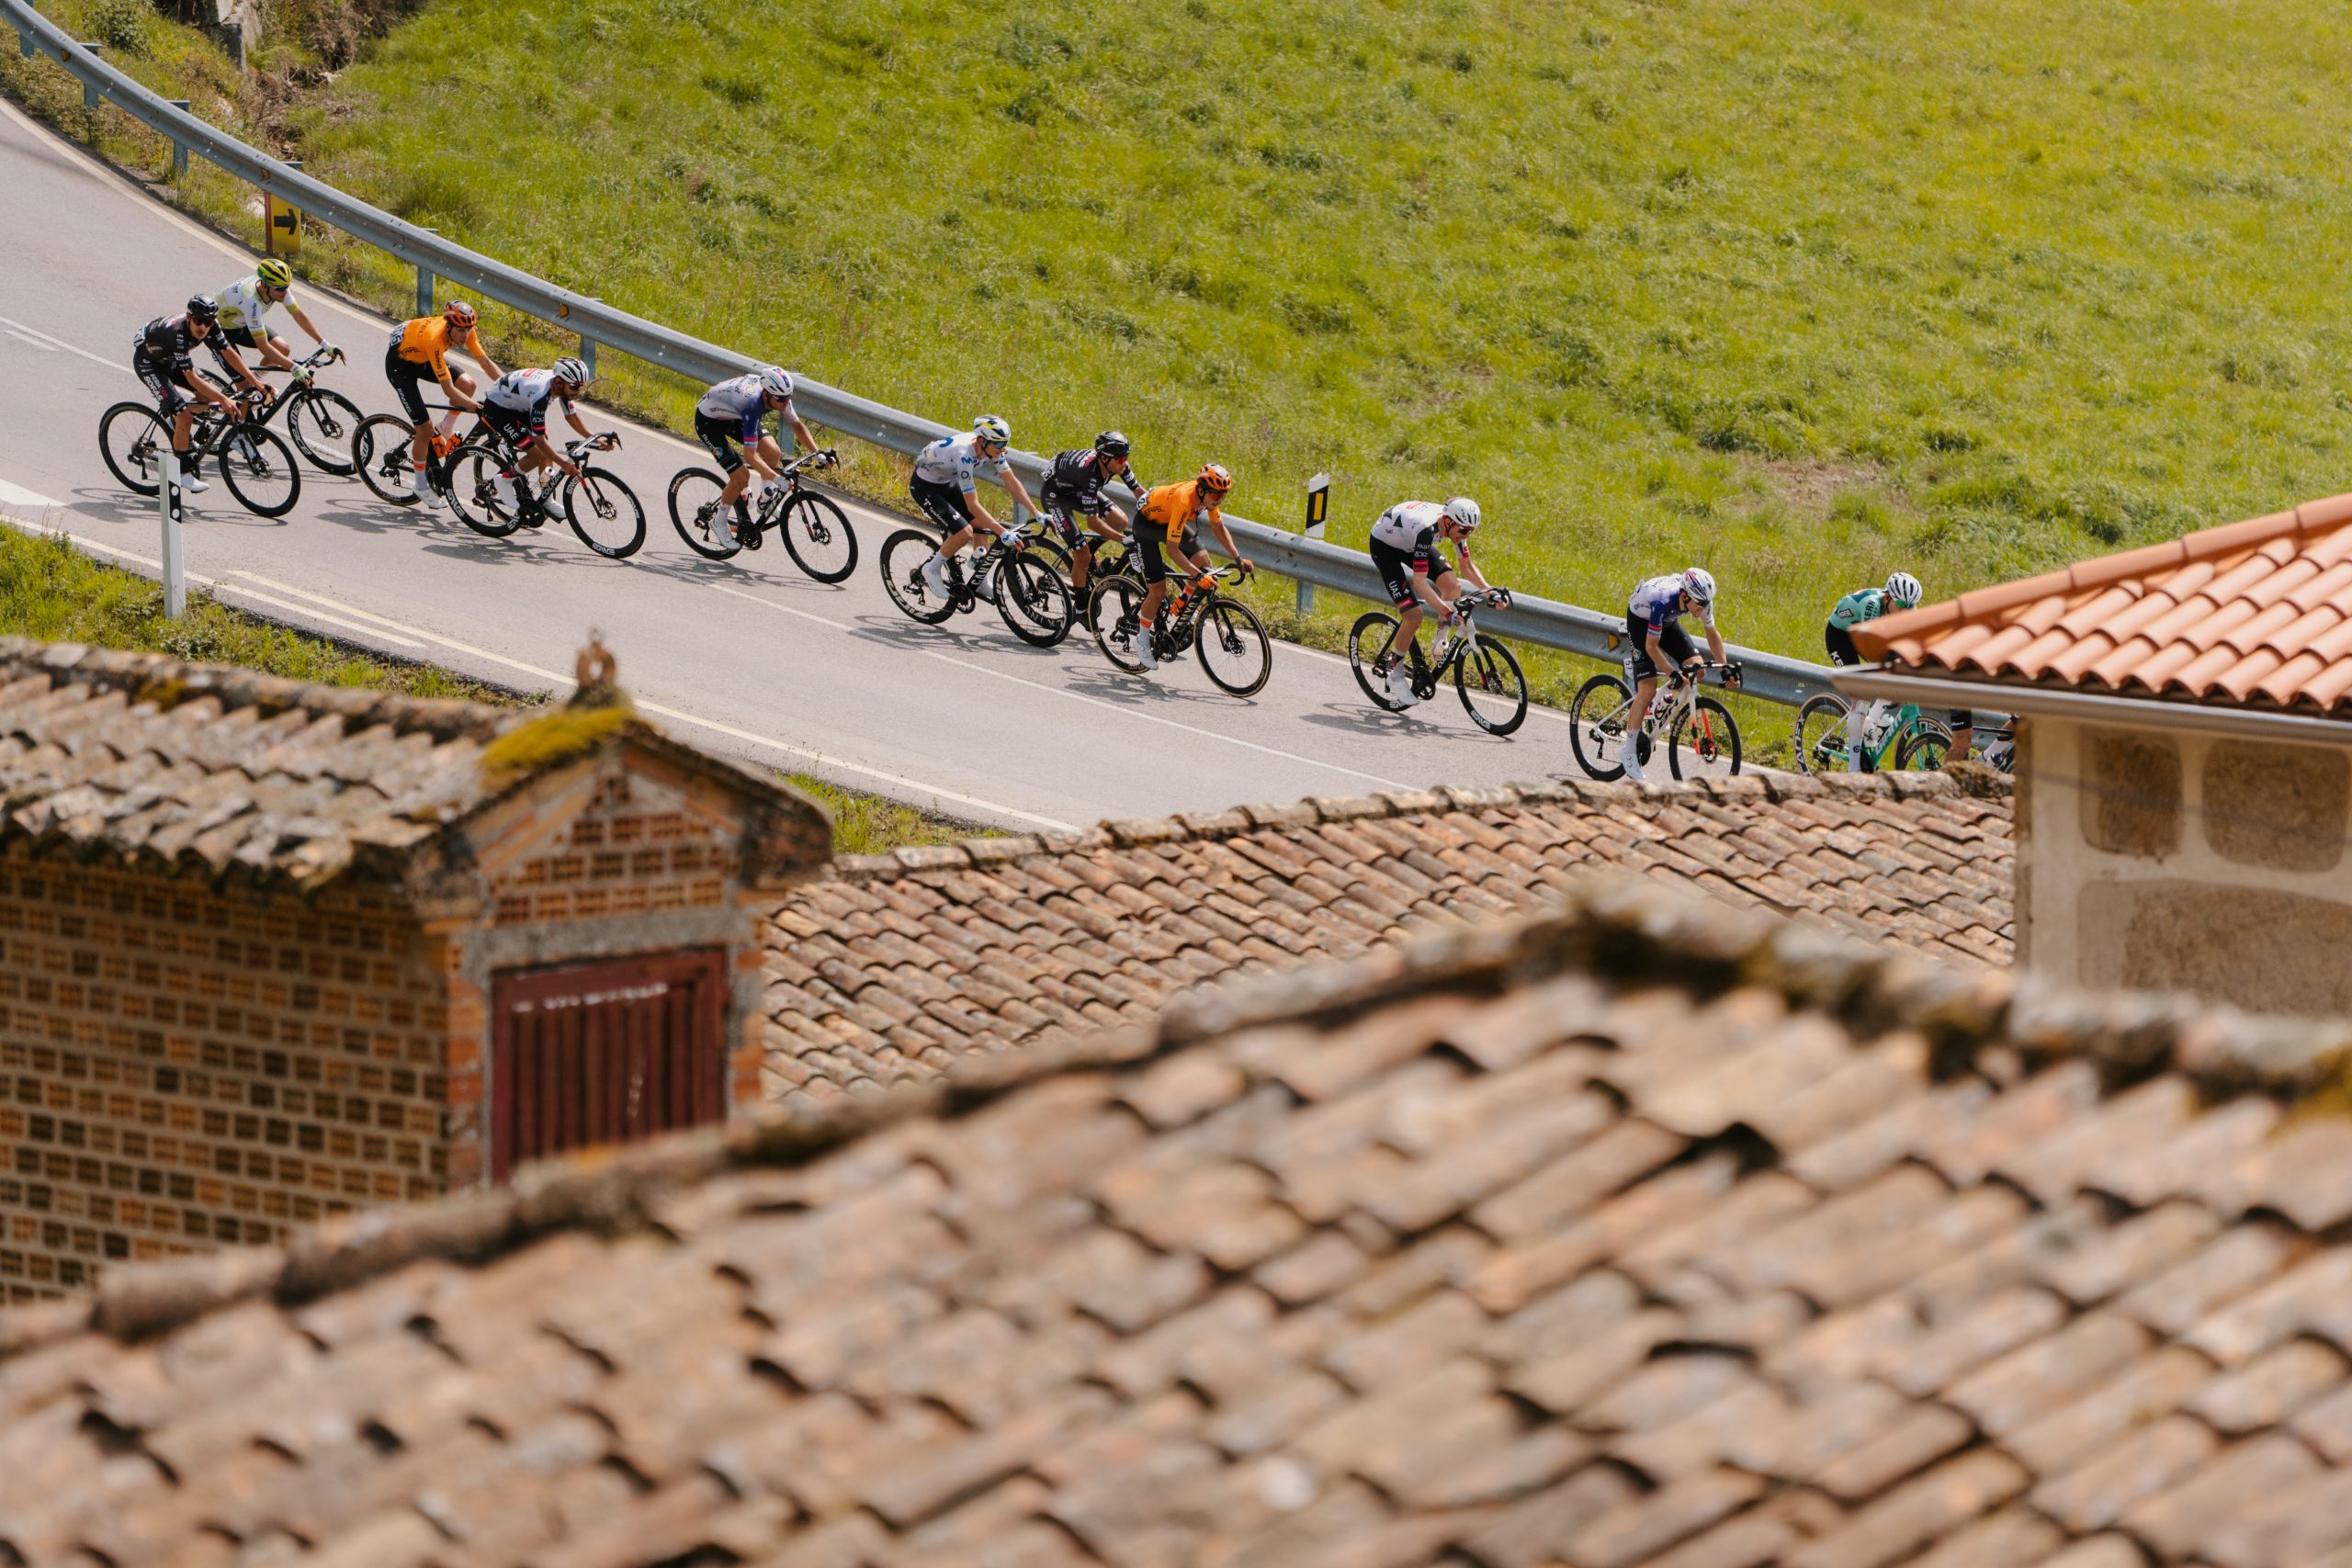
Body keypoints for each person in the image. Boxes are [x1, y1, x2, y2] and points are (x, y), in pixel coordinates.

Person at [1824, 570, 1971, 769]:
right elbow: (1873, 651)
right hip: (1840, 636)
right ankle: (1854, 766)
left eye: (1911, 605)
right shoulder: (1871, 605)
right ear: (1888, 597)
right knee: (1861, 695)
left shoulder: (1909, 611)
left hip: (1866, 636)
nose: (1906, 610)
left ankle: (1870, 721)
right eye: (1902, 604)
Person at [1366, 496, 1498, 708]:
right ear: (1448, 522)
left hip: (1409, 542)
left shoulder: (1455, 525)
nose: (1466, 536)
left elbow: (1467, 567)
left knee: (1453, 586)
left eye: (1471, 531)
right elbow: (1419, 582)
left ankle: (1439, 643)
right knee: (1413, 615)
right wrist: (1446, 611)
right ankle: (1396, 675)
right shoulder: (1426, 530)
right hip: (1385, 547)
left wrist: (1491, 592)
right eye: (1464, 531)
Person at [1126, 464, 1252, 671]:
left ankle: (1182, 601)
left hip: (1167, 519)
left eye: (1223, 495)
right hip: (1146, 525)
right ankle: (1142, 639)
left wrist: (1238, 558)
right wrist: (1198, 576)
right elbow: (1172, 550)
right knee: (1158, 591)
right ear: (1202, 490)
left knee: (1203, 561)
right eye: (1216, 494)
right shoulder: (1184, 500)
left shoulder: (1208, 498)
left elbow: (1218, 527)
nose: (1219, 500)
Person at [385, 299, 503, 509]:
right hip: (400, 368)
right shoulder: (435, 338)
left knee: (468, 385)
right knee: (424, 429)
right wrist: (477, 408)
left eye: (468, 330)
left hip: (423, 357)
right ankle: (420, 485)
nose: (465, 336)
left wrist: (510, 386)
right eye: (460, 330)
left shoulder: (466, 330)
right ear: (448, 326)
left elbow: (484, 362)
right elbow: (449, 390)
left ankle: (445, 428)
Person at [694, 366, 827, 549]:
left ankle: (765, 500)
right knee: (741, 477)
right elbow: (751, 457)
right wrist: (777, 479)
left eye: (788, 397)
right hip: (709, 423)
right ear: (766, 394)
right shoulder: (752, 405)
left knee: (773, 452)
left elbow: (796, 425)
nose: (785, 403)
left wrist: (818, 453)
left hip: (734, 415)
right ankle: (719, 521)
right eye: (781, 399)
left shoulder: (777, 396)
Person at [910, 415, 1039, 602]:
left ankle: (980, 582)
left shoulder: (991, 449)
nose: (1003, 448)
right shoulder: (964, 455)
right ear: (982, 440)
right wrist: (1003, 533)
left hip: (946, 482)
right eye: (999, 444)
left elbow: (1011, 482)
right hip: (925, 487)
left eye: (1005, 443)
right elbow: (973, 505)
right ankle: (931, 569)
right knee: (964, 533)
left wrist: (1036, 512)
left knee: (982, 525)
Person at [129, 295, 245, 494]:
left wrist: (256, 383)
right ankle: (182, 473)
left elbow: (228, 352)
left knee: (209, 394)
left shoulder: (212, 325)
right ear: (189, 317)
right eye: (198, 321)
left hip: (169, 359)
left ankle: (177, 423)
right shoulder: (178, 334)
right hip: (149, 364)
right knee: (185, 416)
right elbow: (191, 378)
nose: (203, 327)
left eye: (208, 323)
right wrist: (224, 400)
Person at [1622, 568, 1726, 781]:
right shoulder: (1663, 600)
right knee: (1647, 689)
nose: (1703, 610)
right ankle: (1628, 750)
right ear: (1685, 596)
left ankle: (1661, 702)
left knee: (1698, 670)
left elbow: (1712, 635)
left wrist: (1725, 668)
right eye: (1699, 606)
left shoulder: (1701, 600)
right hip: (1641, 621)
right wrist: (1671, 673)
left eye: (1706, 605)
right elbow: (1651, 646)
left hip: (1667, 622)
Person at [478, 356, 611, 521]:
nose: (577, 391)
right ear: (559, 382)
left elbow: (572, 417)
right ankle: (504, 479)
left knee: (546, 451)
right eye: (575, 387)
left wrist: (595, 439)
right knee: (539, 453)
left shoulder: (561, 385)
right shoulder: (541, 394)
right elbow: (539, 441)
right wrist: (563, 464)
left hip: (518, 404)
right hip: (497, 409)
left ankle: (546, 499)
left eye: (580, 387)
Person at [1039, 431, 1145, 598]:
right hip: (1055, 497)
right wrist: (1122, 539)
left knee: (1120, 521)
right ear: (1104, 458)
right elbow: (1092, 522)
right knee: (1082, 556)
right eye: (1120, 459)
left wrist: (1159, 511)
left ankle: (1091, 554)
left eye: (1126, 458)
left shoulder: (1117, 464)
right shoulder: (1089, 474)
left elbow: (1139, 492)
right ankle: (1081, 606)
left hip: (1076, 489)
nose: (1124, 463)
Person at [214, 257, 336, 376]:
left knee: (282, 349)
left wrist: (325, 344)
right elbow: (263, 346)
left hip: (241, 325)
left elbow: (298, 315)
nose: (285, 292)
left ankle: (256, 381)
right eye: (281, 288)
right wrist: (294, 368)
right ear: (264, 286)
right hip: (217, 330)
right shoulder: (250, 301)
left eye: (287, 286)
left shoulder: (275, 286)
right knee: (245, 382)